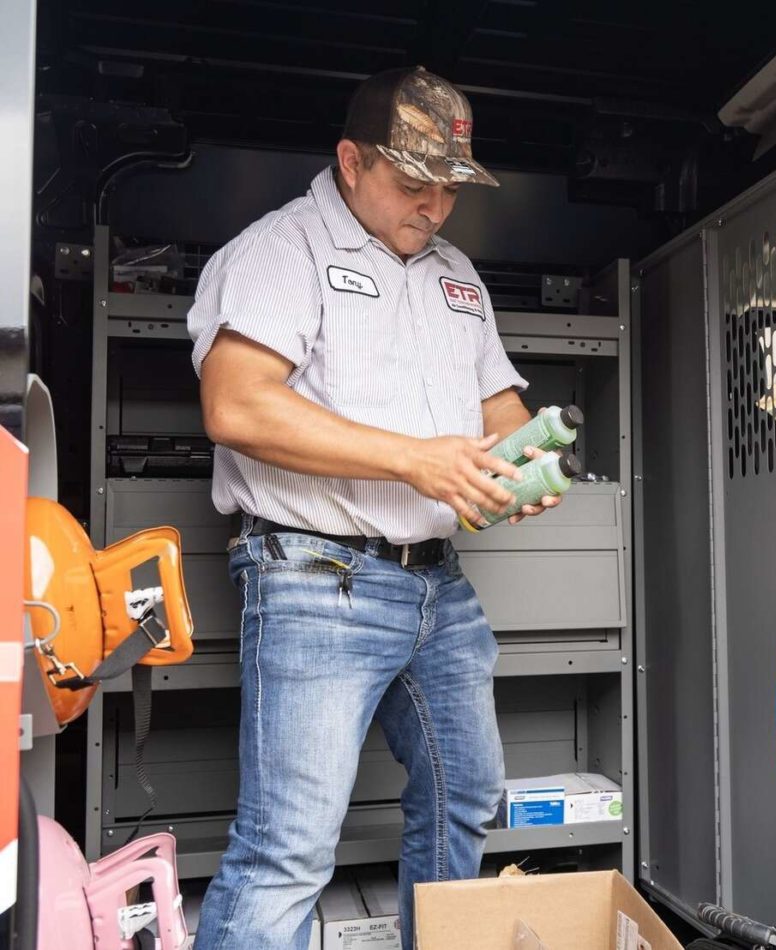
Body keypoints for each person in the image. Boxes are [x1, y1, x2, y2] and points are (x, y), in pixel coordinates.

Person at [187, 66, 559, 950]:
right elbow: (235, 404)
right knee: (289, 849)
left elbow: (497, 406)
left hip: (437, 588)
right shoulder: (283, 251)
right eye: (412, 184)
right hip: (318, 578)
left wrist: (525, 460)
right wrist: (418, 463)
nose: (434, 208)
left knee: (464, 794)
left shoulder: (455, 274)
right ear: (350, 162)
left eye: (450, 191)